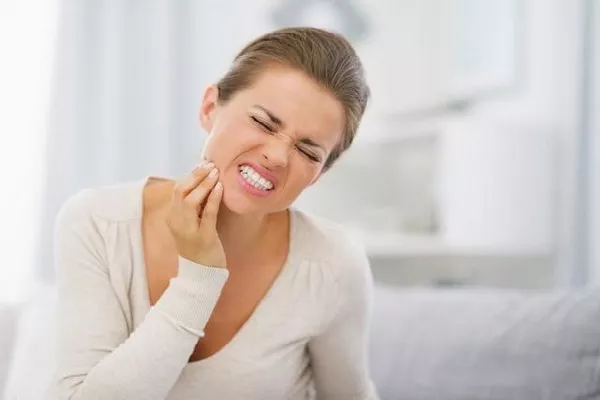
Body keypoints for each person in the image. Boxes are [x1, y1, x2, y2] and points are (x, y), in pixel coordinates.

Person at [48, 27, 378, 400]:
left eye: (307, 151)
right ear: (209, 108)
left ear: (318, 174)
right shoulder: (98, 223)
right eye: (263, 122)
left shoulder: (333, 265)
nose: (277, 156)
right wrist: (198, 280)